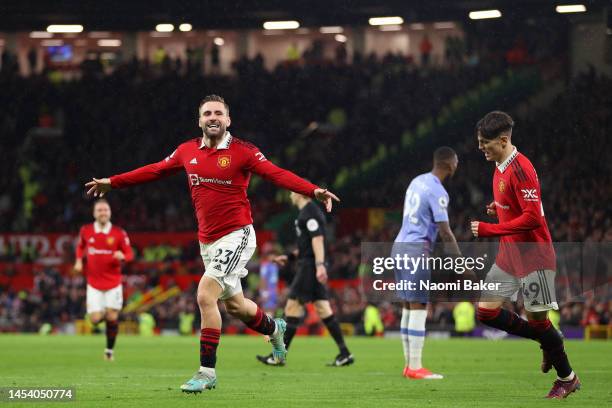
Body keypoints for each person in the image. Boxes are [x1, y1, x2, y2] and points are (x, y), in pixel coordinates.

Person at [84, 94, 339, 393]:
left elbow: (277, 174)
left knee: (206, 295)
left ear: (228, 120)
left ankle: (207, 372)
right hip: (208, 242)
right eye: (207, 113)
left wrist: (314, 191)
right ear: (200, 120)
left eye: (219, 112)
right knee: (236, 307)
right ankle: (274, 327)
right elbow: (154, 170)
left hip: (238, 235)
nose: (213, 117)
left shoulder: (244, 152)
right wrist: (112, 182)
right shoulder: (186, 151)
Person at [470, 111, 580, 399]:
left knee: (537, 320)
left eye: (485, 143)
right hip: (509, 255)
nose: (481, 147)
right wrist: (501, 207)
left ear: (503, 140)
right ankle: (550, 341)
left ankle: (567, 377)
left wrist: (489, 229)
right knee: (486, 311)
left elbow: (533, 218)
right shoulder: (499, 165)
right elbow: (518, 205)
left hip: (536, 259)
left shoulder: (522, 169)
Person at [256, 191, 354, 367]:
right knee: (324, 309)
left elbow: (318, 240)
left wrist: (320, 264)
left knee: (292, 308)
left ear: (300, 194)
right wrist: (289, 256)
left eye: (293, 191)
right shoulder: (307, 213)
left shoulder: (309, 213)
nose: (290, 194)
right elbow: (307, 245)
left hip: (309, 268)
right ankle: (345, 353)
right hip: (308, 264)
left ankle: (278, 356)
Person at [393, 146, 461, 379]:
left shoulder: (417, 181)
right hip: (415, 249)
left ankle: (408, 365)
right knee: (419, 306)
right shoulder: (438, 191)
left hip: (399, 246)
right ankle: (415, 366)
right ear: (450, 164)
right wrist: (461, 266)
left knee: (407, 304)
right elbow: (446, 233)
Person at [74, 198, 134, 361]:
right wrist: (79, 260)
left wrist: (123, 256)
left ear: (110, 213)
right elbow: (80, 247)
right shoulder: (86, 230)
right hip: (94, 283)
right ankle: (103, 317)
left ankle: (109, 351)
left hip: (113, 283)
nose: (103, 212)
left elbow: (130, 254)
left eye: (105, 210)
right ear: (94, 213)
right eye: (100, 210)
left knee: (113, 317)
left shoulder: (118, 233)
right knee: (94, 319)